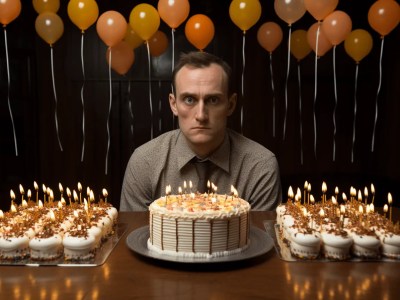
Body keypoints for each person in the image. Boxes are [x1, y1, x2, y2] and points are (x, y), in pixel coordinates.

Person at [120, 51, 282, 211]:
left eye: (213, 100)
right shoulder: (145, 162)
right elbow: (134, 236)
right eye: (189, 100)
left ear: (231, 105)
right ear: (174, 104)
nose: (201, 115)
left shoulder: (260, 166)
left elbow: (260, 237)